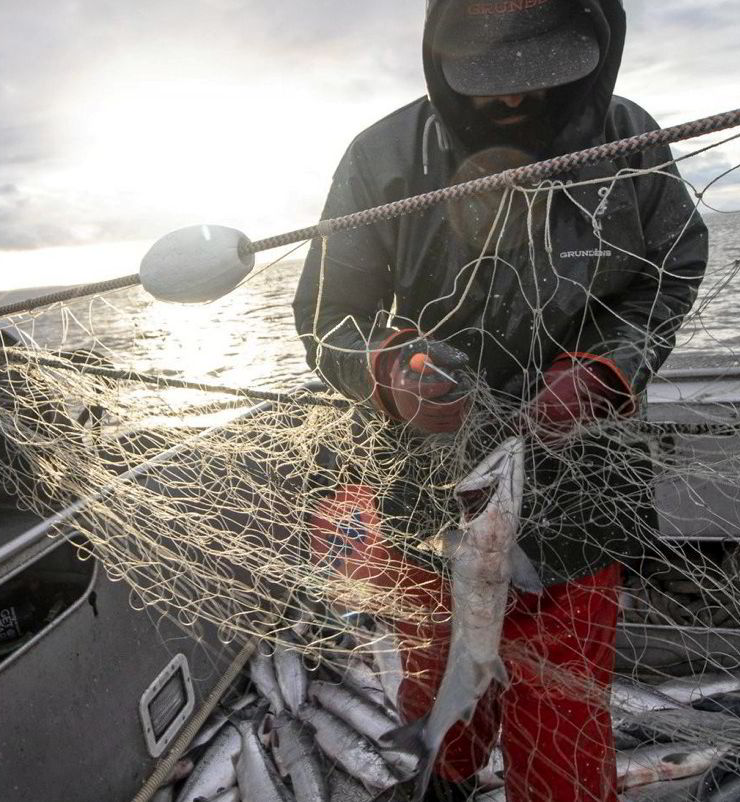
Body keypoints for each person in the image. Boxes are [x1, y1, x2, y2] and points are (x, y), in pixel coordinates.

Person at [293, 0, 707, 800]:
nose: (512, 98)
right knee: (438, 680)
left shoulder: (629, 138)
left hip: (580, 489)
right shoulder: (383, 157)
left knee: (562, 715)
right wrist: (391, 375)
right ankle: (446, 770)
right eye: (488, 76)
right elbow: (324, 316)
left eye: (542, 70)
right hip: (426, 490)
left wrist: (604, 370)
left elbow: (672, 272)